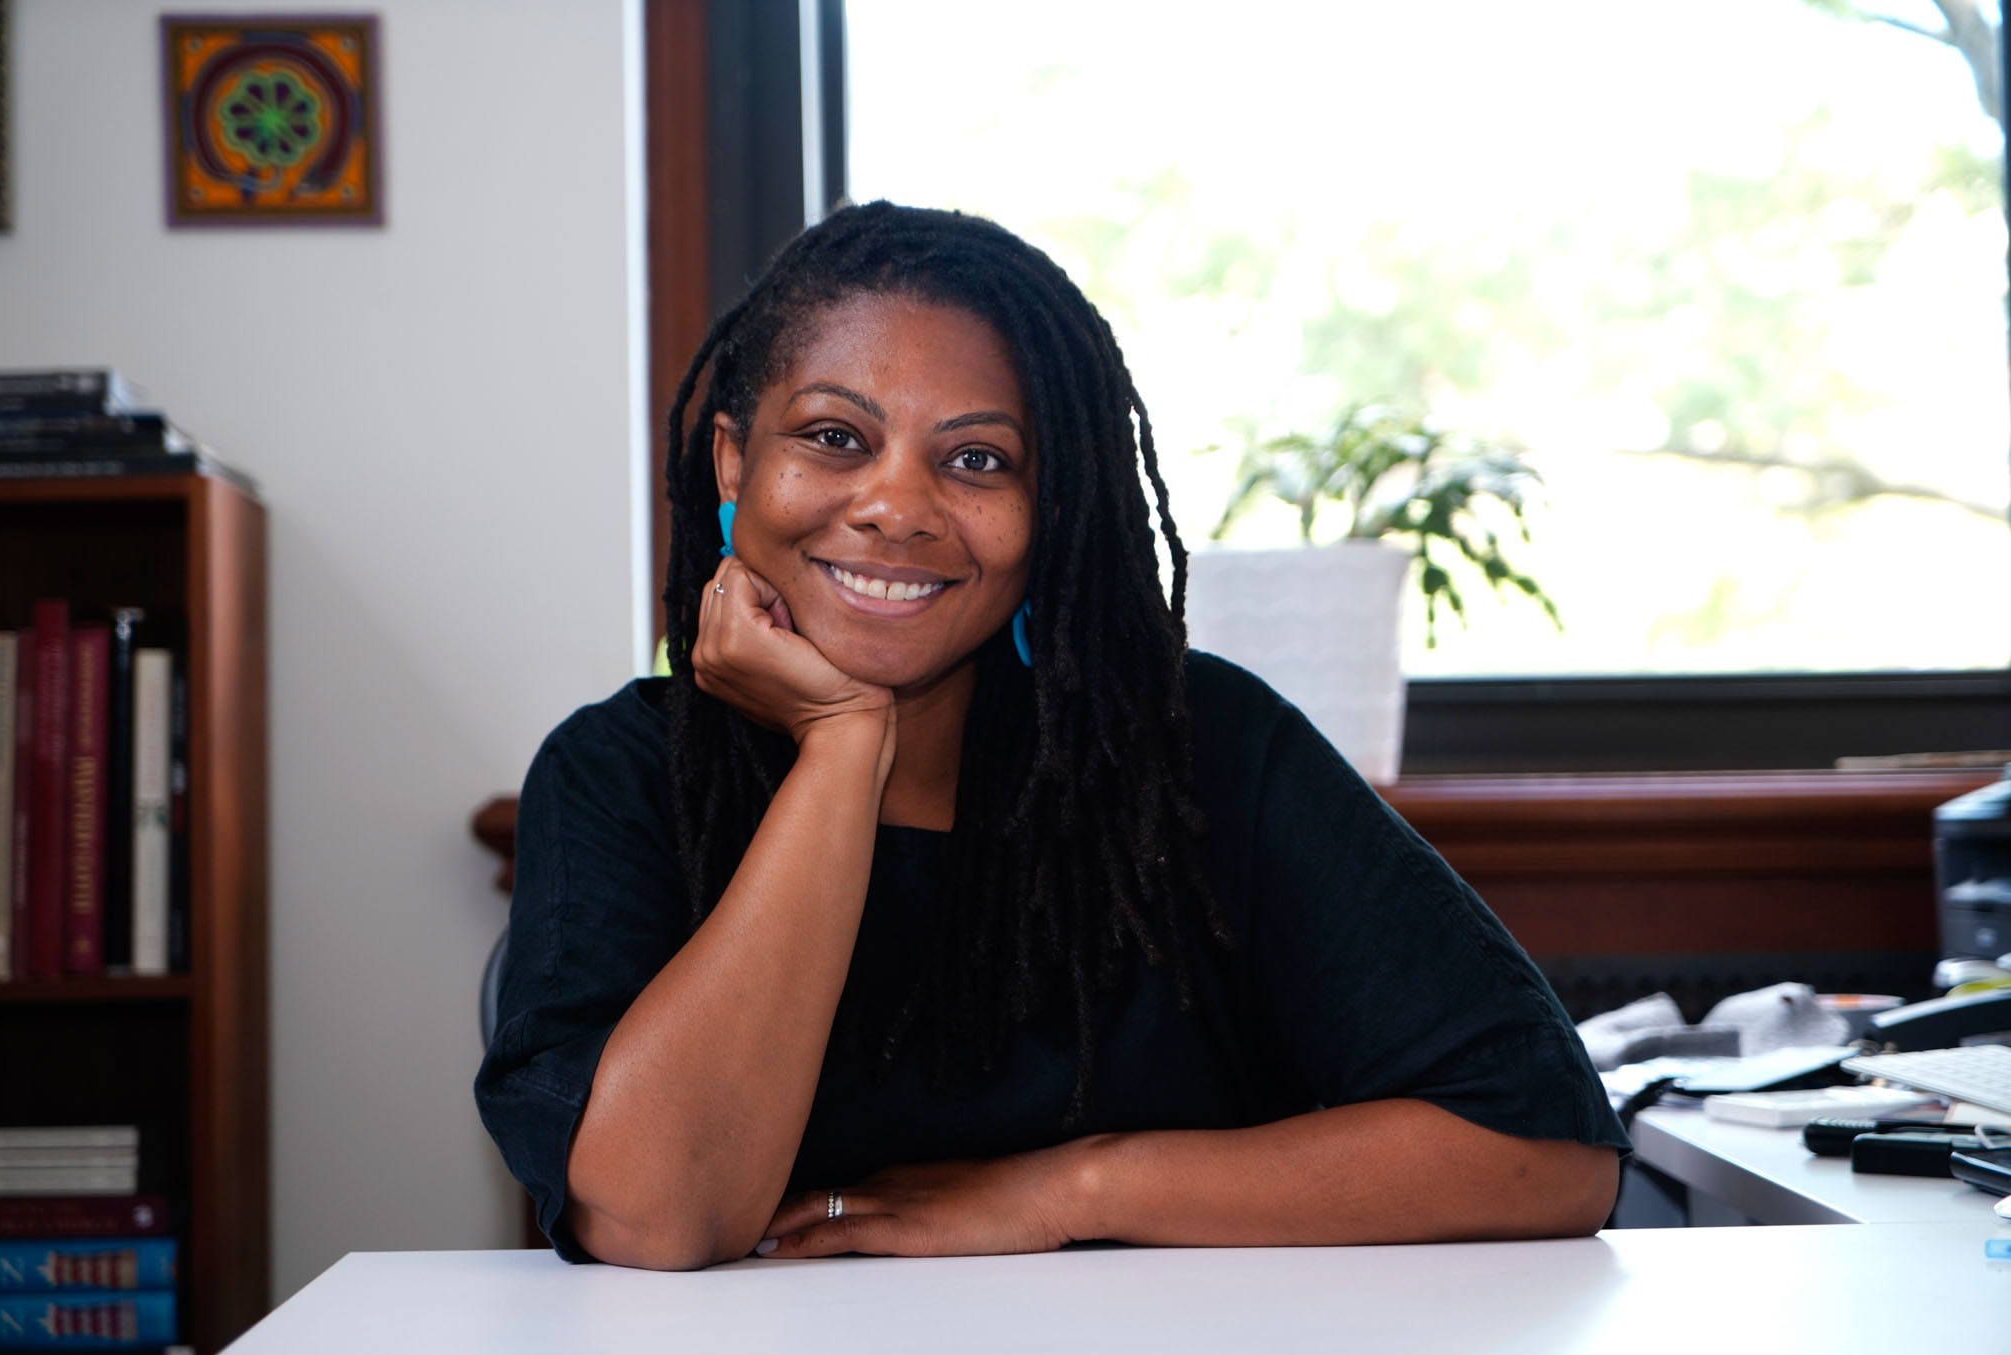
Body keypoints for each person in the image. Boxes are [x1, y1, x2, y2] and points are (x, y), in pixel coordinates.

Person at [475, 201, 1627, 1272]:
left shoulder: (1196, 751)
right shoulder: (618, 776)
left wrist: (1068, 1191)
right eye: (833, 437)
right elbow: (659, 1215)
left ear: (1051, 510)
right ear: (735, 462)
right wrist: (838, 745)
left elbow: (1543, 1153)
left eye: (976, 459)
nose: (895, 505)